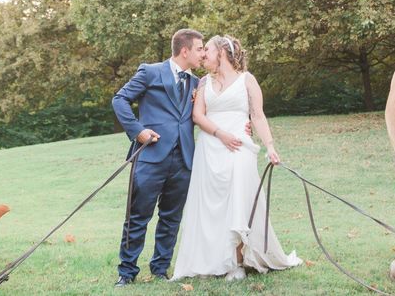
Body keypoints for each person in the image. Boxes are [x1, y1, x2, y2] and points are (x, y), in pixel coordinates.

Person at [172, 35, 302, 281]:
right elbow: (198, 116)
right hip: (210, 147)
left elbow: (258, 116)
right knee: (211, 206)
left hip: (240, 147)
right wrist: (220, 134)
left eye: (207, 50)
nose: (203, 55)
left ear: (222, 52)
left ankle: (238, 261)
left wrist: (270, 147)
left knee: (239, 201)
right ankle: (213, 261)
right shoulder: (202, 83)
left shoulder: (247, 80)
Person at [111, 29, 205, 287]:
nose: (203, 53)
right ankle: (127, 272)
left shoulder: (198, 83)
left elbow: (205, 116)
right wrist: (138, 131)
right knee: (137, 216)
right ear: (184, 50)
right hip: (150, 157)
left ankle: (160, 268)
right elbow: (120, 100)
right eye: (199, 48)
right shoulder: (150, 72)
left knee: (171, 217)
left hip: (184, 159)